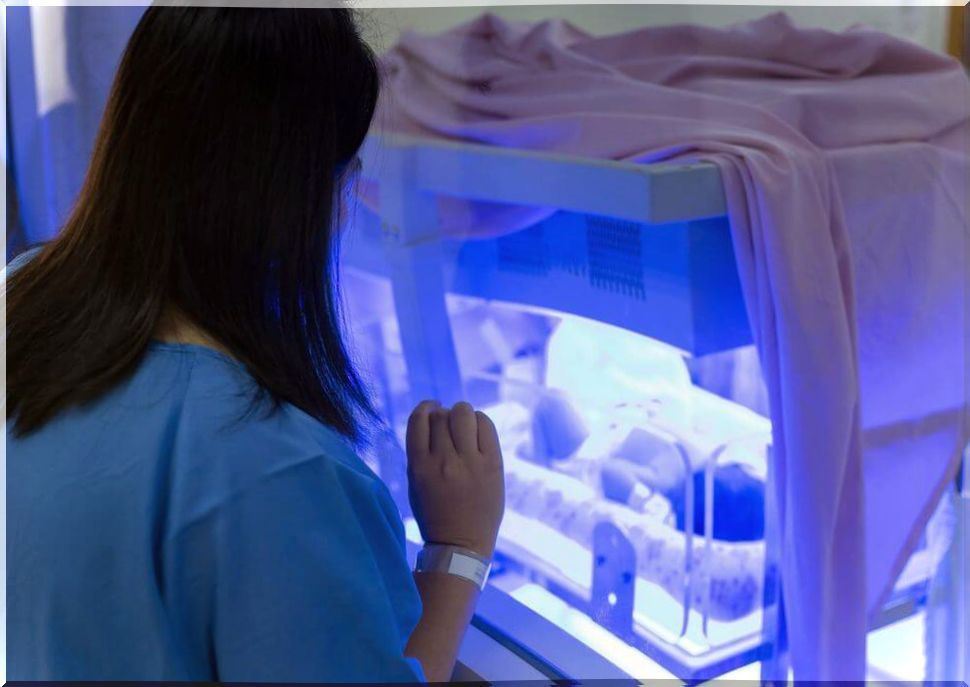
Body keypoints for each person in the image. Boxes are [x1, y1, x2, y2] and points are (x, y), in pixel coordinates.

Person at [5, 6, 504, 683]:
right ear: (304, 195)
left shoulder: (22, 295)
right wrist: (459, 546)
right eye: (346, 173)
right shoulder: (274, 467)